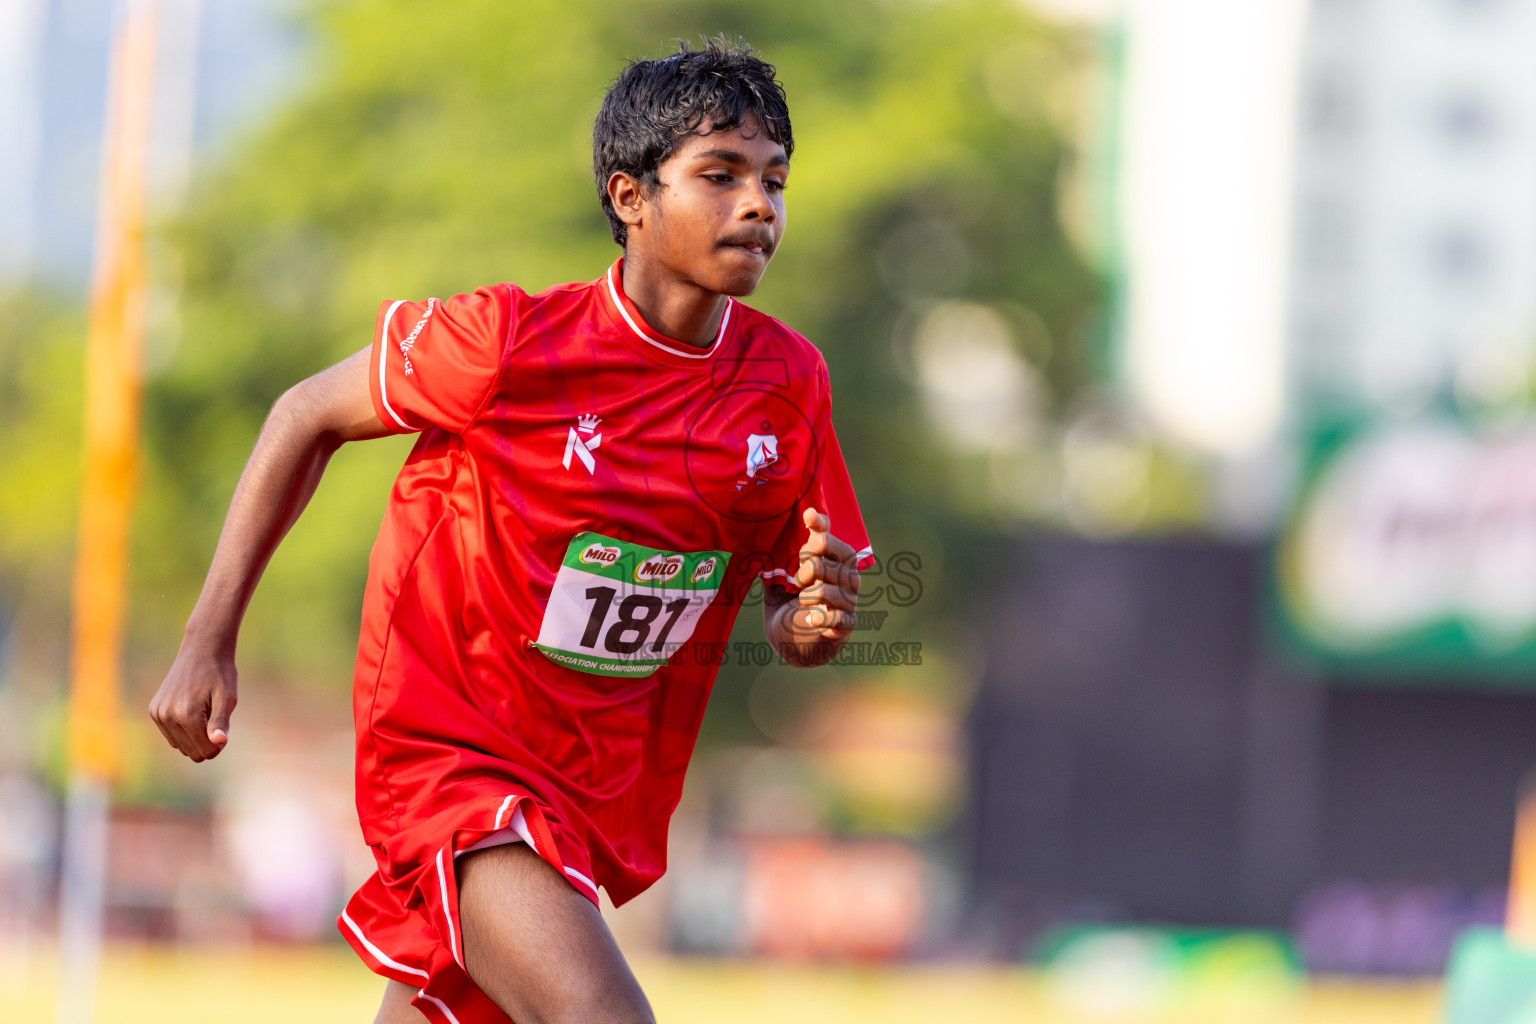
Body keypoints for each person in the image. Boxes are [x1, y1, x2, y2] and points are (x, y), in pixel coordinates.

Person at [149, 37, 873, 1024]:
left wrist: (813, 626)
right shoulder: (506, 344)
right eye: (721, 174)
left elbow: (797, 615)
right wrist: (206, 640)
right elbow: (302, 414)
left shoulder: (789, 384)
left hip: (587, 783)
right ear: (630, 198)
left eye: (774, 180)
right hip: (450, 750)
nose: (759, 205)